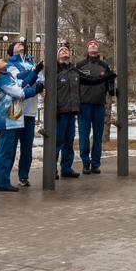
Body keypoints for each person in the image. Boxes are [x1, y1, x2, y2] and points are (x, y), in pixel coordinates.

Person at [0, 57, 44, 192]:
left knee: (3, 149)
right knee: (6, 150)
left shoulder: (7, 75)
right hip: (7, 117)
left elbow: (22, 83)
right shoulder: (2, 79)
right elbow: (19, 93)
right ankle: (2, 182)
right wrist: (36, 90)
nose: (1, 59)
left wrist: (35, 72)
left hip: (12, 117)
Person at [5, 39, 43, 187]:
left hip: (30, 110)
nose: (20, 44)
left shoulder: (31, 63)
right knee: (10, 146)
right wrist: (34, 74)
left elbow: (40, 80)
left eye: (21, 44)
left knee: (27, 147)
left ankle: (24, 176)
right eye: (16, 44)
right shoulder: (10, 64)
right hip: (15, 109)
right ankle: (4, 178)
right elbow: (20, 80)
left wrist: (38, 81)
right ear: (11, 50)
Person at [76, 39, 116, 174]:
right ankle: (85, 163)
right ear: (87, 48)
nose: (93, 45)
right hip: (84, 105)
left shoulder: (104, 66)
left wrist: (113, 91)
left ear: (98, 49)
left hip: (99, 104)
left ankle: (95, 164)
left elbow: (110, 83)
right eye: (90, 44)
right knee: (84, 135)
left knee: (98, 136)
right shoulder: (80, 65)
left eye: (95, 44)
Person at [55, 43, 81, 179]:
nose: (65, 51)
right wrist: (55, 110)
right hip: (60, 113)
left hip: (72, 111)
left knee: (69, 142)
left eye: (66, 50)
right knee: (57, 142)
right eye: (61, 50)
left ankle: (66, 168)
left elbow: (87, 82)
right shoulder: (54, 70)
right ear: (57, 55)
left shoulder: (74, 71)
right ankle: (51, 168)